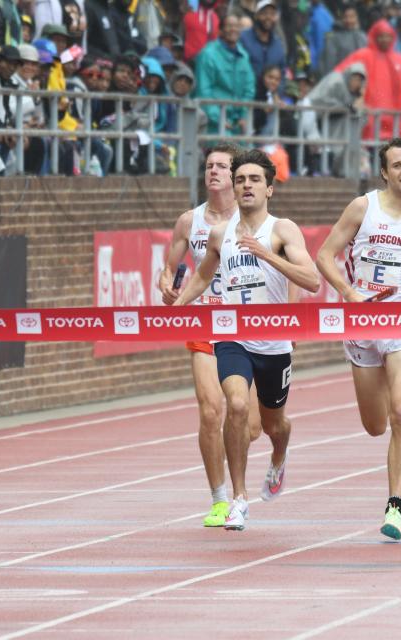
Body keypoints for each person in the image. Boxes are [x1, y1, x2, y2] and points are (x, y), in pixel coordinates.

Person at [172, 148, 321, 531]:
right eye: (240, 180)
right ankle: (238, 498)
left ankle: (279, 456)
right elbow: (203, 275)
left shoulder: (282, 230)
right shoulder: (220, 233)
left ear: (269, 189)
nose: (246, 186)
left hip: (274, 344)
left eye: (254, 180)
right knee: (235, 405)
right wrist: (180, 306)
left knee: (274, 425)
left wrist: (267, 256)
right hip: (232, 337)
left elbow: (311, 280)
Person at [314, 138, 401, 540]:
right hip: (362, 327)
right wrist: (350, 293)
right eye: (398, 165)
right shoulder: (363, 207)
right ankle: (390, 476)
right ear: (384, 172)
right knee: (375, 425)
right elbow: (325, 256)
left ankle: (395, 506)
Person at [158, 143, 262, 528]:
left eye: (222, 166)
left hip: (248, 324)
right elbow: (168, 271)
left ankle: (237, 476)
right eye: (209, 166)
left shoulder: (252, 218)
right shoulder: (189, 221)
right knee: (210, 410)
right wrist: (168, 286)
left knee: (249, 424)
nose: (213, 172)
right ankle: (220, 498)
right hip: (205, 320)